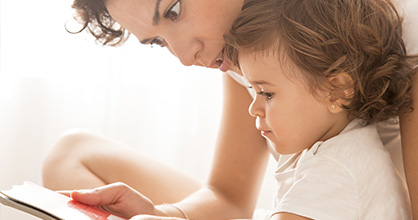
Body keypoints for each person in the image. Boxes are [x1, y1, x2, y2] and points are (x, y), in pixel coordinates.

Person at [41, 0, 418, 219]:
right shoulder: (245, 47)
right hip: (305, 203)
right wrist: (163, 215)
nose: (187, 57)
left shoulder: (407, 35)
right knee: (71, 153)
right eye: (157, 41)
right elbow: (229, 198)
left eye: (172, 9)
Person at [222, 0, 416, 218]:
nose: (253, 109)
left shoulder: (335, 170)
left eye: (267, 93)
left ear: (337, 90)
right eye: (252, 89)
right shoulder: (347, 146)